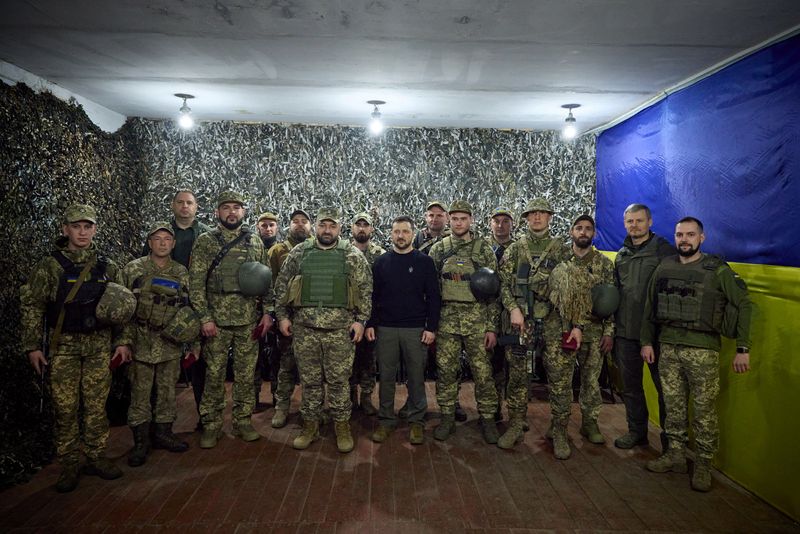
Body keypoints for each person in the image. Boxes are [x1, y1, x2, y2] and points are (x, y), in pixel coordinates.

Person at [641, 217, 752, 492]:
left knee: (704, 412)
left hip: (703, 350)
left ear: (701, 238)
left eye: (690, 235)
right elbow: (649, 307)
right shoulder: (664, 266)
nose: (684, 240)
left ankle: (703, 464)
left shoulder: (717, 270)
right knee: (674, 408)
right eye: (680, 235)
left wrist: (743, 348)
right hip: (668, 347)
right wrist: (646, 342)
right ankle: (675, 455)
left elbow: (744, 305)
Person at [21, 203, 126, 492]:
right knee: (65, 408)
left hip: (98, 345)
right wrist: (32, 346)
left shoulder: (106, 265)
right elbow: (32, 305)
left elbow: (123, 306)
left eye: (88, 226)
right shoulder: (50, 266)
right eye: (76, 226)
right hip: (63, 346)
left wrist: (122, 343)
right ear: (65, 229)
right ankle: (68, 463)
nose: (82, 232)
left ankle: (95, 456)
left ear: (94, 229)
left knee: (95, 405)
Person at [274, 207, 372, 453]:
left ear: (339, 228)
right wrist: (283, 317)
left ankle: (341, 426)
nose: (327, 230)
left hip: (340, 331)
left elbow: (366, 290)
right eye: (322, 225)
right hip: (305, 330)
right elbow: (282, 286)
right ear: (315, 227)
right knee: (310, 382)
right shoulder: (299, 253)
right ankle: (310, 426)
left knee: (339, 382)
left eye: (332, 226)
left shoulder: (351, 255)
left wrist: (361, 321)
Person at [188, 191, 273, 449]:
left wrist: (268, 313)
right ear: (217, 212)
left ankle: (243, 421)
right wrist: (204, 318)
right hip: (216, 320)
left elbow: (267, 281)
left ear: (243, 212)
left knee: (246, 375)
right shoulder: (205, 242)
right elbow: (195, 284)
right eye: (226, 207)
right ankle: (211, 425)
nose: (232, 212)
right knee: (214, 376)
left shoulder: (255, 242)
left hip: (248, 320)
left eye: (237, 207)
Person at [497, 198, 570, 453]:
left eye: (542, 213)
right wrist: (513, 309)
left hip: (553, 321)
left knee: (560, 378)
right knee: (517, 376)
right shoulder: (516, 249)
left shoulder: (562, 249)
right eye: (532, 214)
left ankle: (560, 430)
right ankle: (516, 424)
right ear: (526, 218)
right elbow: (503, 283)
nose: (537, 217)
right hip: (522, 320)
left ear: (550, 217)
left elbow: (572, 289)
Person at [117, 223, 192, 467]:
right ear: (149, 243)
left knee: (167, 391)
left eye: (167, 239)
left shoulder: (181, 272)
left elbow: (188, 309)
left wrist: (191, 341)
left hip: (169, 342)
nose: (162, 243)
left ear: (173, 244)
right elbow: (122, 310)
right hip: (140, 340)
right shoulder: (132, 270)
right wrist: (123, 342)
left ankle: (163, 433)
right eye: (157, 239)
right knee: (139, 392)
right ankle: (140, 441)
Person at [429, 200, 500, 444]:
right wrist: (432, 325)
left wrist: (491, 326)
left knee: (483, 373)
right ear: (449, 220)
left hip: (477, 322)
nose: (459, 223)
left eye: (463, 219)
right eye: (455, 218)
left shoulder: (483, 250)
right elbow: (431, 291)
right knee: (447, 372)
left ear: (471, 220)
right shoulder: (438, 250)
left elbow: (494, 292)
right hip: (447, 322)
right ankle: (447, 417)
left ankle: (488, 418)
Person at [545, 215, 615, 454]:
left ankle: (589, 422)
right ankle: (558, 426)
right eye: (579, 228)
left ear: (593, 234)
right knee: (560, 381)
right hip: (561, 330)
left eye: (588, 229)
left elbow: (611, 301)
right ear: (571, 231)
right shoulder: (559, 260)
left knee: (591, 380)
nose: (583, 232)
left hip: (594, 332)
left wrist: (609, 332)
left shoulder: (604, 264)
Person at [367, 216, 440, 444]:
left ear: (412, 233)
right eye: (396, 231)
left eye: (405, 232)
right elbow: (373, 297)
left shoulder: (424, 262)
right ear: (391, 234)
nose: (400, 236)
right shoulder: (381, 263)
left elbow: (434, 298)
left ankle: (417, 421)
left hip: (415, 329)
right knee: (386, 378)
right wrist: (371, 323)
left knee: (417, 377)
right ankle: (386, 420)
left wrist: (431, 328)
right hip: (386, 329)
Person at [143, 190, 212, 427]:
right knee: (160, 367)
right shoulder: (162, 233)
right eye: (180, 202)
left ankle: (206, 419)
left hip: (197, 305)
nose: (185, 206)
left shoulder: (206, 234)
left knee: (200, 365)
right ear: (173, 205)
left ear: (196, 206)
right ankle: (158, 425)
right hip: (165, 306)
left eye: (189, 203)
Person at [613, 203, 676, 450]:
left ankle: (672, 442)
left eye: (639, 221)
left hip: (657, 335)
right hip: (626, 333)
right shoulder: (621, 256)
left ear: (650, 222)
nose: (634, 226)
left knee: (667, 391)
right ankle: (637, 431)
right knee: (631, 388)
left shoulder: (665, 252)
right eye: (630, 221)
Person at [267, 208, 312, 428]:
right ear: (289, 225)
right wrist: (279, 315)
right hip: (289, 319)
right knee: (285, 366)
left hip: (312, 319)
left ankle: (310, 410)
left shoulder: (318, 249)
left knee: (313, 370)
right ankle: (281, 408)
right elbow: (274, 286)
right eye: (296, 221)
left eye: (304, 221)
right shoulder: (277, 251)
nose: (300, 225)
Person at [349, 211, 386, 415]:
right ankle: (350, 397)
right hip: (347, 317)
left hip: (372, 317)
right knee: (348, 359)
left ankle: (366, 398)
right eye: (358, 224)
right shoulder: (343, 251)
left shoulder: (380, 254)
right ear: (352, 228)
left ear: (371, 229)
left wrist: (371, 320)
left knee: (369, 359)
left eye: (366, 225)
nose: (362, 228)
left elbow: (382, 289)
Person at [488, 207, 515, 421]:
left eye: (505, 221)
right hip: (488, 314)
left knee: (517, 366)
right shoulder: (481, 248)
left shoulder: (519, 249)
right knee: (492, 363)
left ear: (512, 225)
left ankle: (517, 413)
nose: (500, 225)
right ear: (490, 224)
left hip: (513, 315)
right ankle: (493, 406)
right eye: (496, 221)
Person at [253, 211, 280, 412]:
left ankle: (278, 399)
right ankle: (252, 398)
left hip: (276, 311)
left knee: (277, 358)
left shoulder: (282, 251)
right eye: (264, 226)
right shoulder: (250, 249)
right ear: (258, 227)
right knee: (253, 358)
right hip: (253, 312)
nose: (268, 229)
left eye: (271, 225)